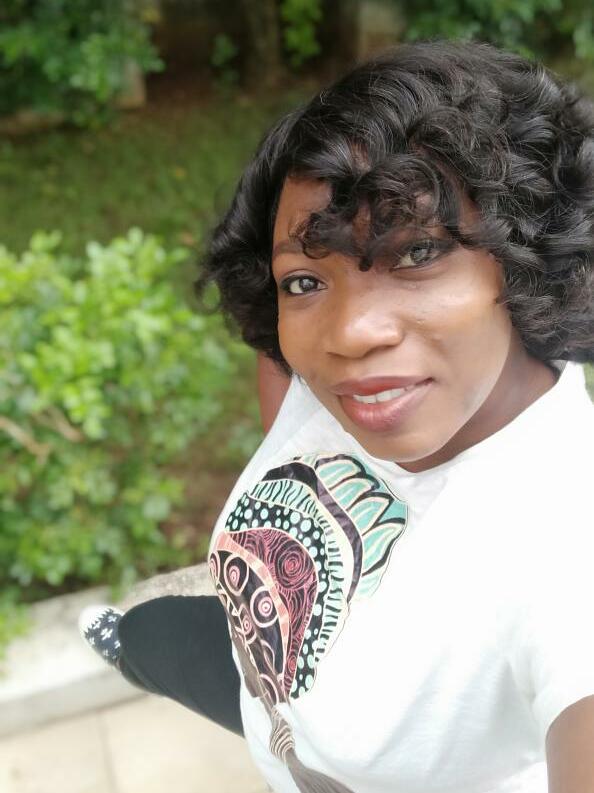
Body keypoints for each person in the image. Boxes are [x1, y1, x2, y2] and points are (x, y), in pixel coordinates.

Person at [80, 39, 594, 792]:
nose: (350, 335)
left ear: (524, 259)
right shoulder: (348, 368)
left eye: (416, 253)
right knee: (146, 638)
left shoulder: (566, 535)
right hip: (276, 711)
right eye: (304, 282)